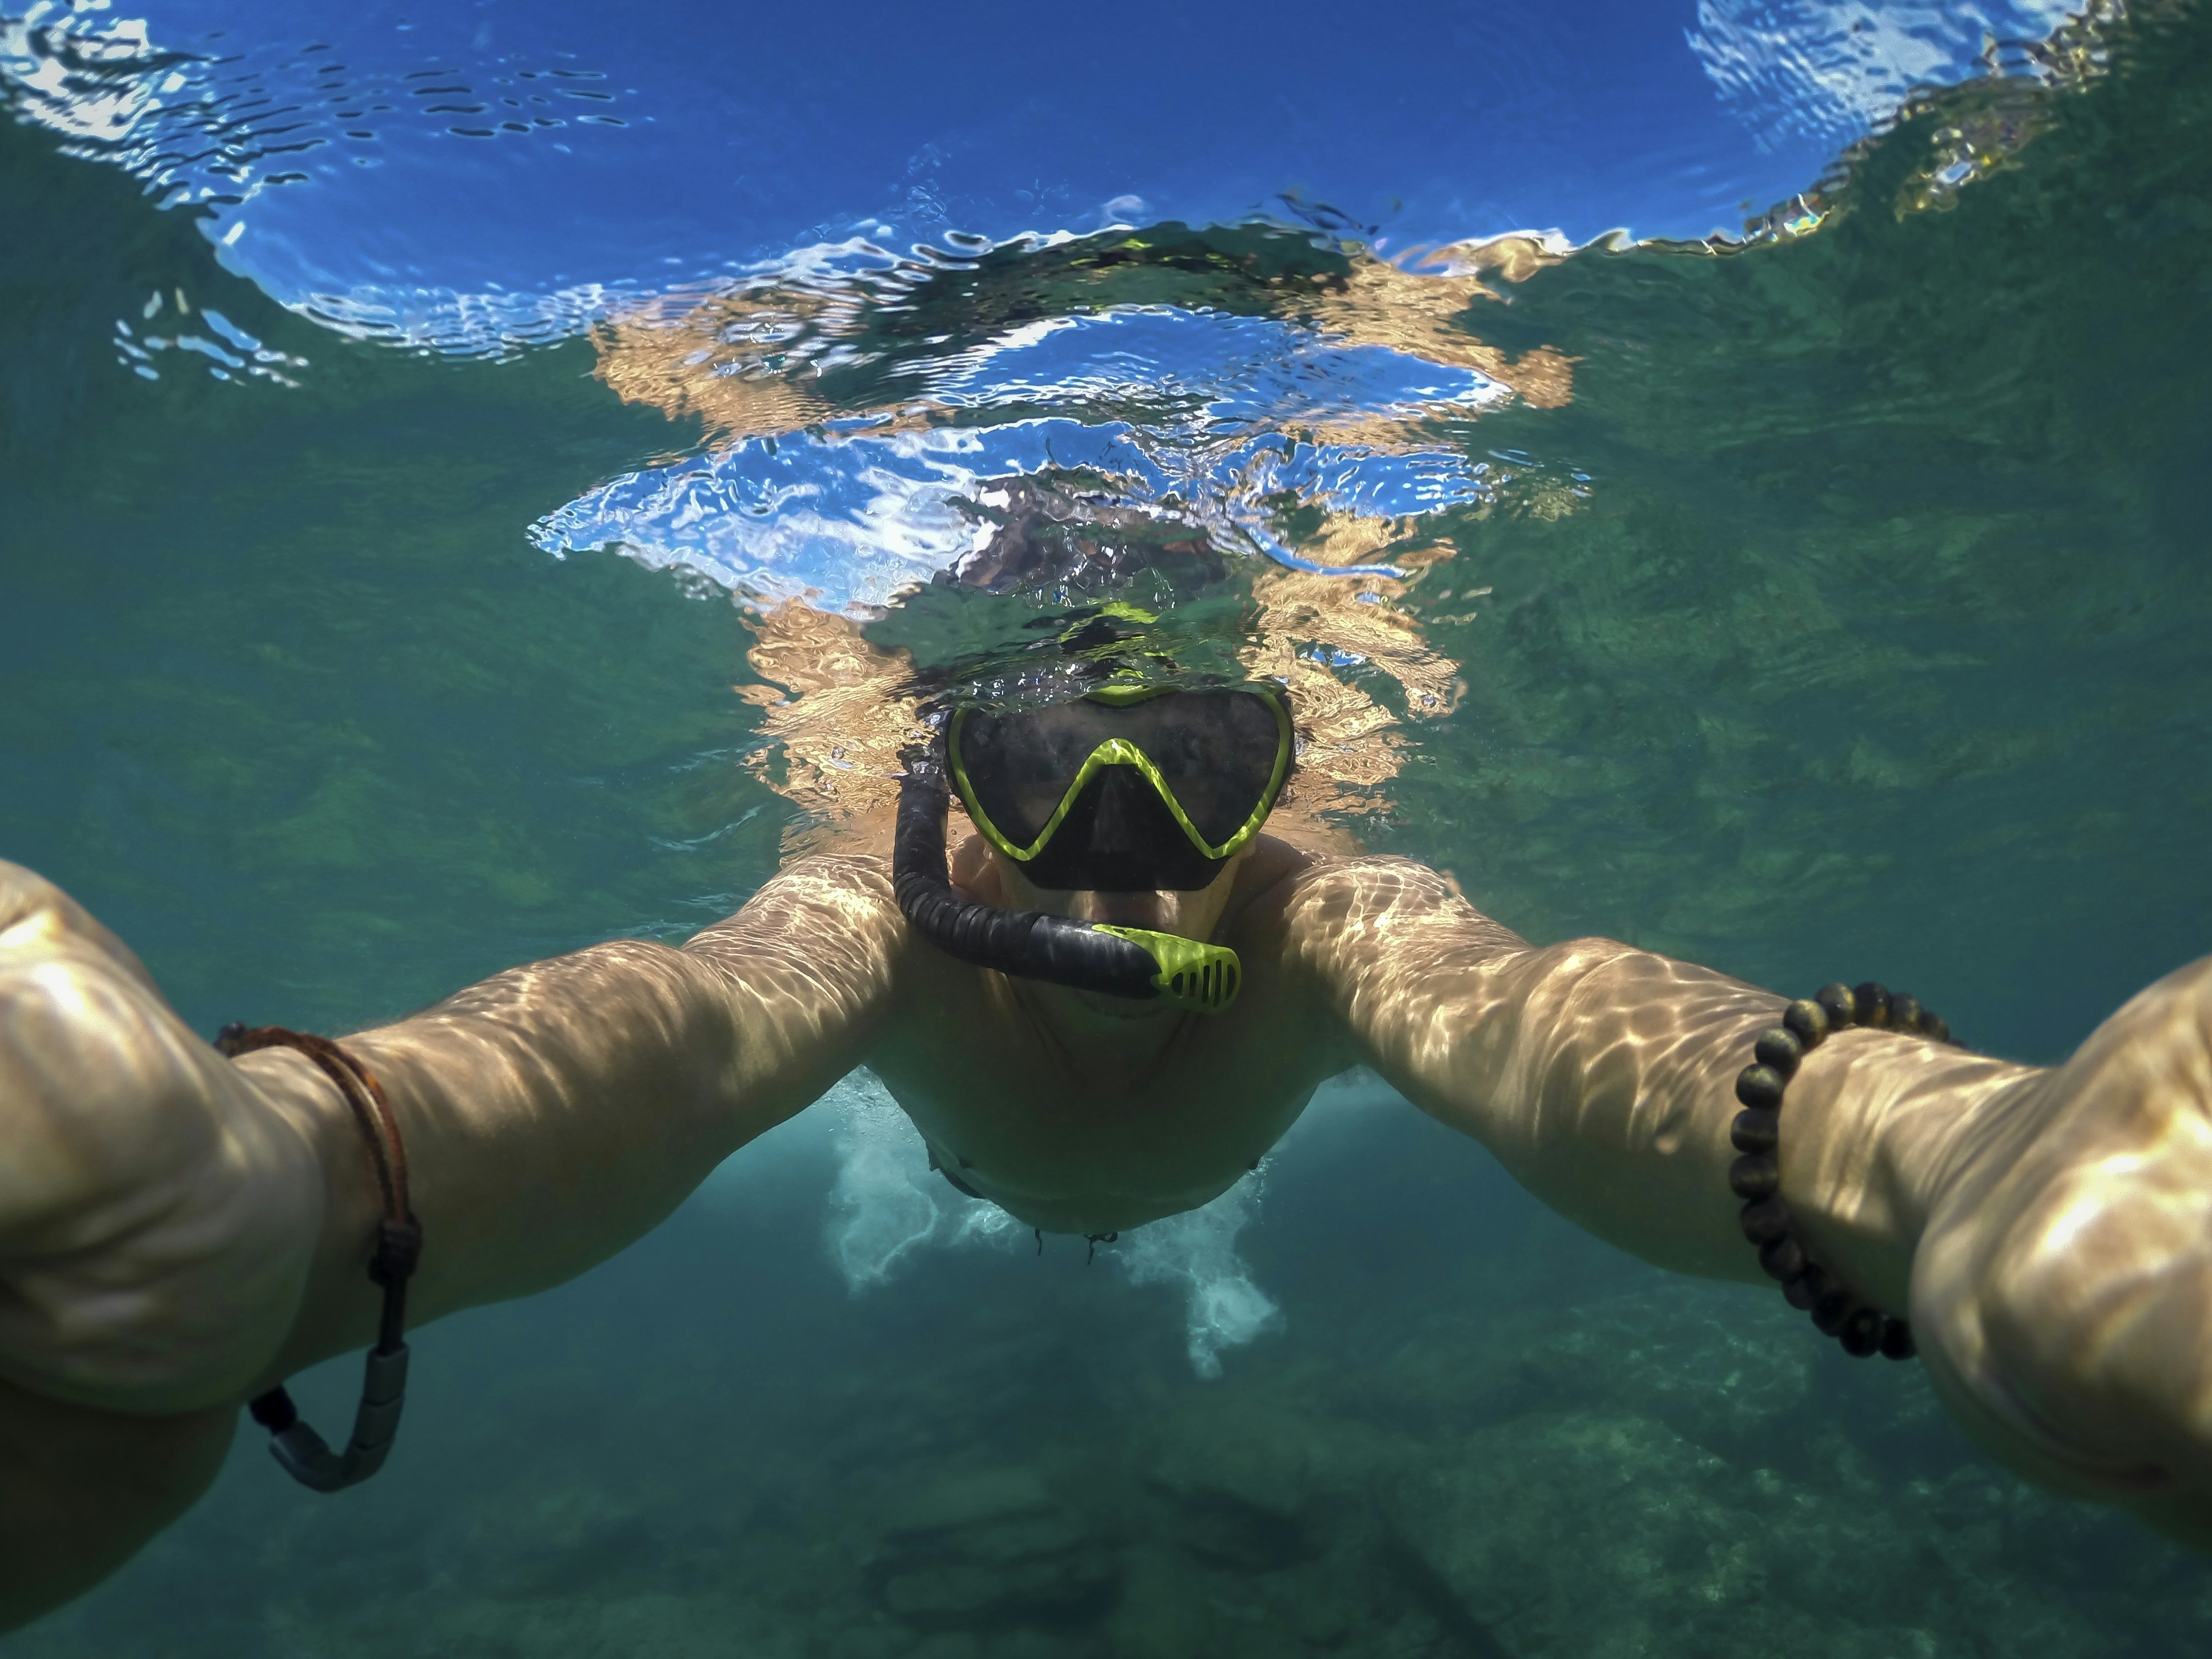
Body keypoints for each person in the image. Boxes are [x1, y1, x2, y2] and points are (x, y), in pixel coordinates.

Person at [5, 663, 2212, 1633]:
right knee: (856, 1167)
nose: (1122, 875)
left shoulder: (1324, 909)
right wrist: (286, 1175)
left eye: (1202, 777)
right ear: (933, 766)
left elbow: (1544, 1021)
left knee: (1191, 1215)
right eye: (1042, 774)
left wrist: (1950, 1153)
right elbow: (671, 1034)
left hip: (1169, 1188)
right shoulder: (863, 909)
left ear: (1279, 775)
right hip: (965, 1174)